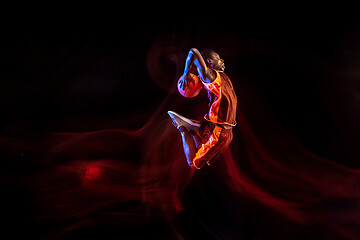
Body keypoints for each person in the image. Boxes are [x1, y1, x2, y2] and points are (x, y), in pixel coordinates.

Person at [168, 48, 237, 169]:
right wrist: (186, 73)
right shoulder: (209, 76)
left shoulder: (222, 76)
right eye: (217, 57)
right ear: (209, 61)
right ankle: (183, 129)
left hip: (225, 131)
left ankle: (197, 128)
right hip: (219, 131)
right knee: (194, 163)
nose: (221, 60)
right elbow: (193, 51)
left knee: (205, 151)